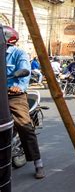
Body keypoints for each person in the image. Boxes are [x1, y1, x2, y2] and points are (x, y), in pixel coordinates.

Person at [4, 26, 45, 179]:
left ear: (7, 40)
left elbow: (24, 73)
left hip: (14, 95)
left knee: (25, 126)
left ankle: (38, 163)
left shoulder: (18, 54)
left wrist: (18, 87)